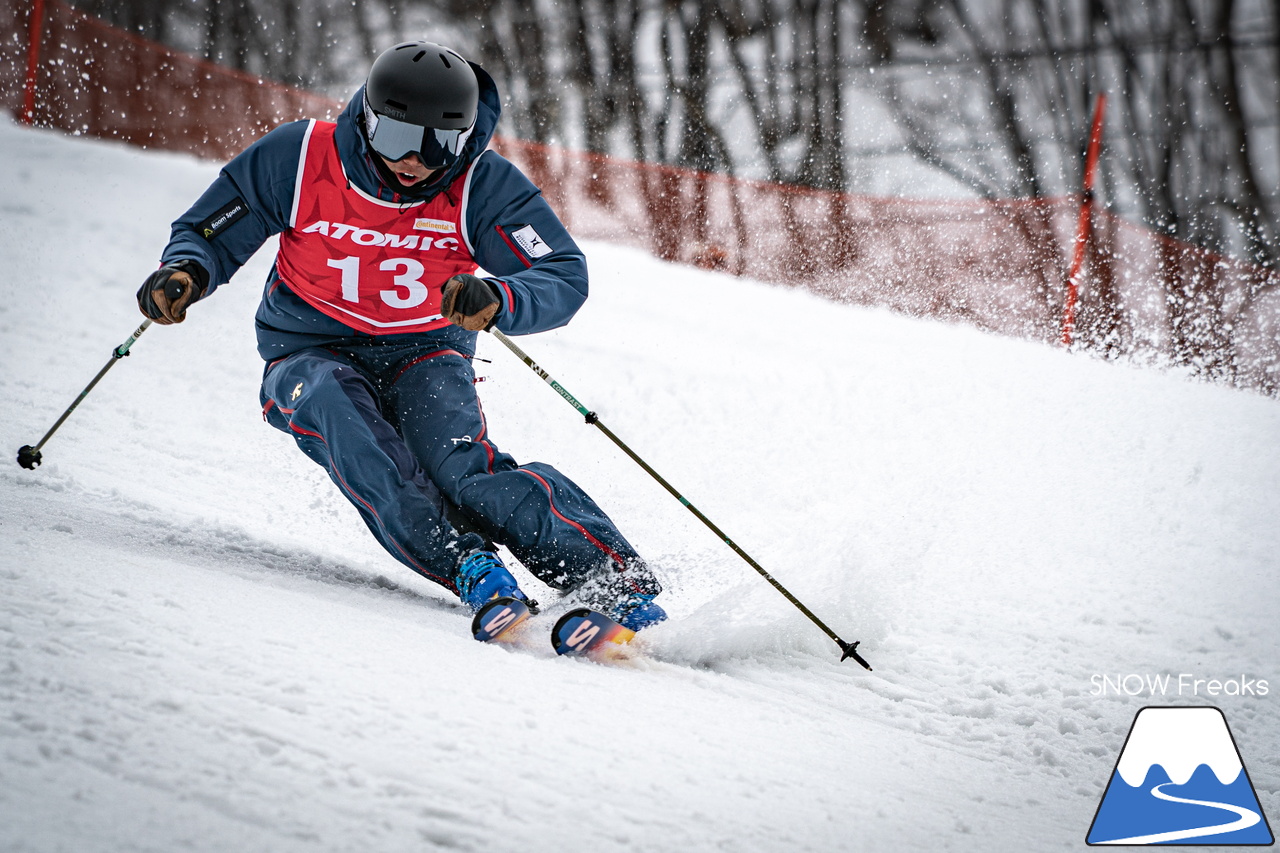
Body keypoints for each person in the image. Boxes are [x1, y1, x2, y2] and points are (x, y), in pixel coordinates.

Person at [138, 40, 666, 633]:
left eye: (440, 144)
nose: (415, 161)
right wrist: (186, 270)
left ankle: (617, 582)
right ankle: (469, 566)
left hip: (426, 351)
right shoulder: (301, 156)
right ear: (366, 117)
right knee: (355, 434)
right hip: (307, 350)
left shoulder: (480, 186)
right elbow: (212, 227)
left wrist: (499, 298)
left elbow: (561, 274)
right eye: (397, 139)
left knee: (461, 473)